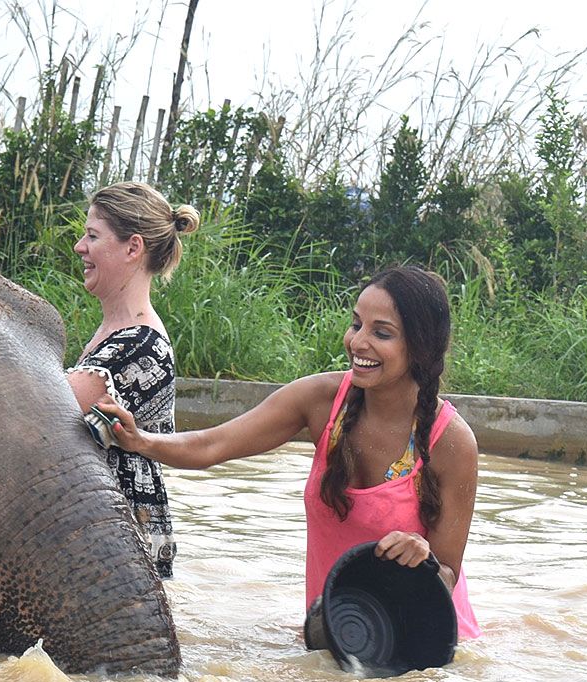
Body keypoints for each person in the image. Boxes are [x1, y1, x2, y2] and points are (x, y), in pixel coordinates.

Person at [95, 265, 482, 639]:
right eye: (356, 324)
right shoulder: (321, 400)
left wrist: (424, 559)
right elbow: (213, 444)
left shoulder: (451, 443)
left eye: (381, 333)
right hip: (334, 635)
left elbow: (447, 573)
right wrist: (140, 440)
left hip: (421, 649)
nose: (358, 342)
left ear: (421, 348)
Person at [65, 181, 201, 579]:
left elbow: (43, 407)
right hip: (105, 535)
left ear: (133, 248)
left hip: (119, 550)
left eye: (93, 236)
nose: (80, 247)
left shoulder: (140, 346)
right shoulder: (114, 333)